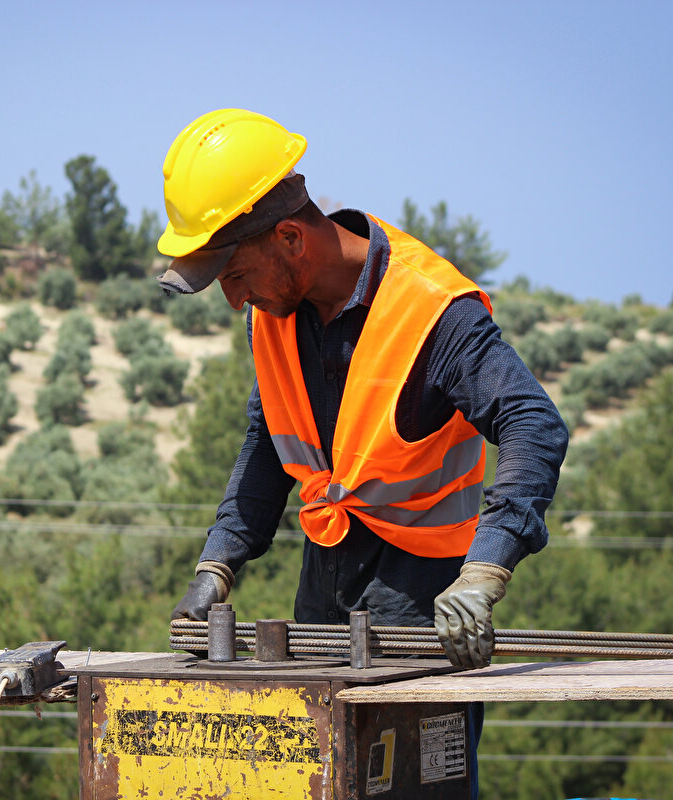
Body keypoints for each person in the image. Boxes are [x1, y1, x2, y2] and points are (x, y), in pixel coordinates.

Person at [158, 108, 568, 796]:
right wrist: (219, 562)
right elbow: (269, 444)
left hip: (425, 598)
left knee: (412, 788)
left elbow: (534, 424)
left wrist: (484, 574)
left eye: (234, 274)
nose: (234, 301)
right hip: (325, 587)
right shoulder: (275, 315)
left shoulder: (434, 309)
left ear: (290, 237)